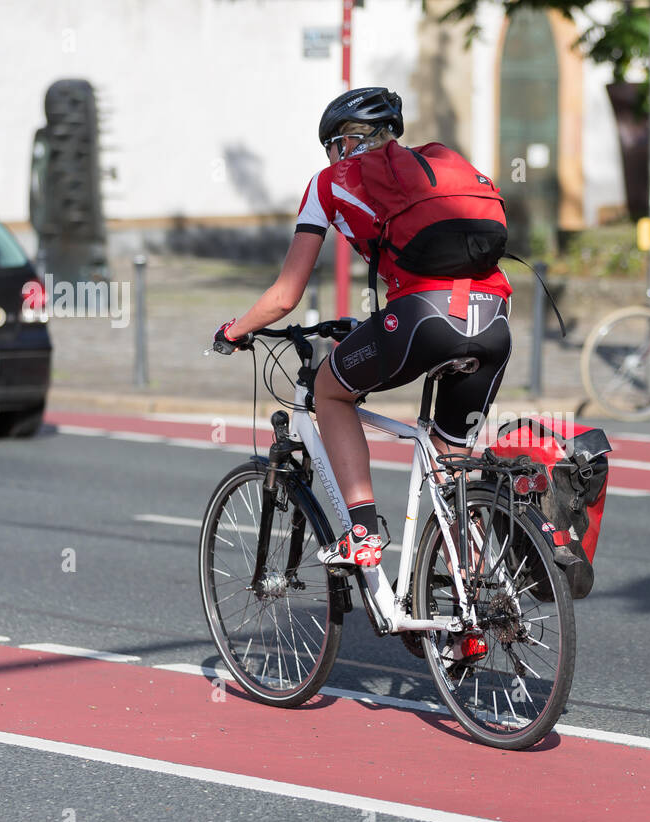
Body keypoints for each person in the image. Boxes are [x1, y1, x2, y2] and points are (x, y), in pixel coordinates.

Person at [212, 87, 513, 576]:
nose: (330, 157)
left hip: (422, 320)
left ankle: (362, 533)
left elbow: (285, 295)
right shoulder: (439, 171)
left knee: (329, 393)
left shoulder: (329, 182)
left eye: (330, 147)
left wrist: (233, 331)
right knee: (450, 467)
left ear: (344, 144)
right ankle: (476, 601)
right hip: (494, 320)